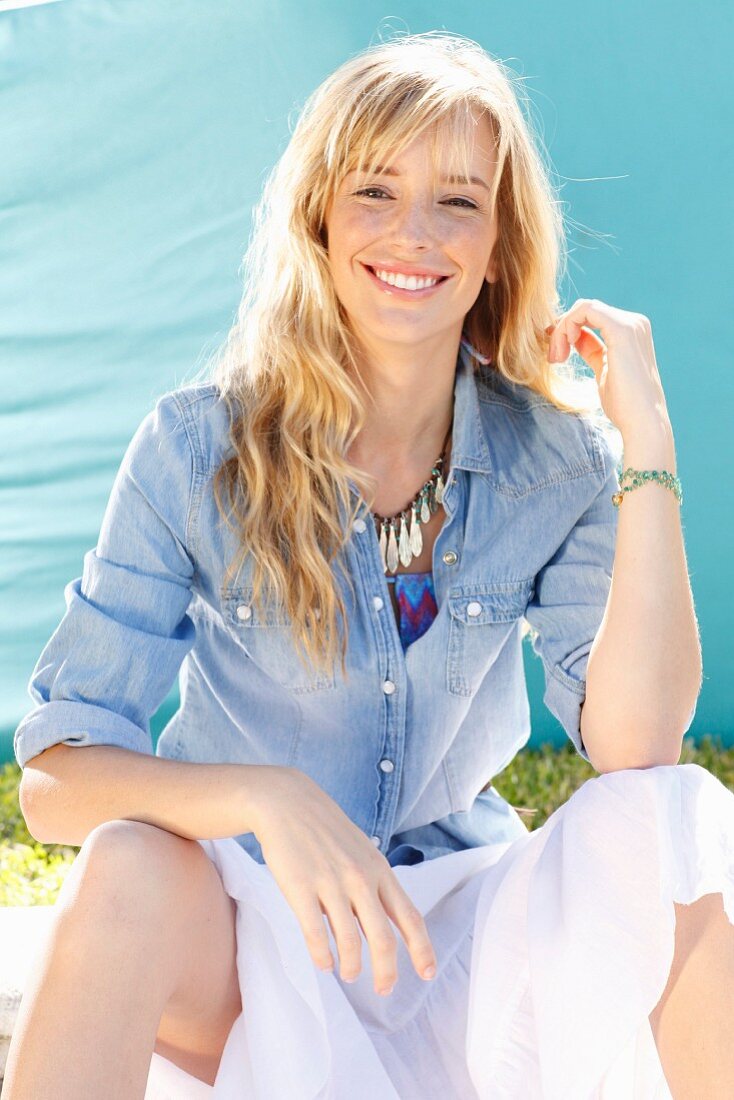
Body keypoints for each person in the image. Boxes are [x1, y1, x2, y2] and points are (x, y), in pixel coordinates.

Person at [6, 30, 734, 1100]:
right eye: (375, 191)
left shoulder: (553, 457)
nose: (413, 233)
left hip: (460, 948)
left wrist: (648, 444)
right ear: (319, 216)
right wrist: (265, 797)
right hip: (255, 947)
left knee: (668, 818)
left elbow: (635, 742)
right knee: (124, 864)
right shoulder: (196, 448)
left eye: (456, 200)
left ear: (496, 241)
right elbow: (55, 778)